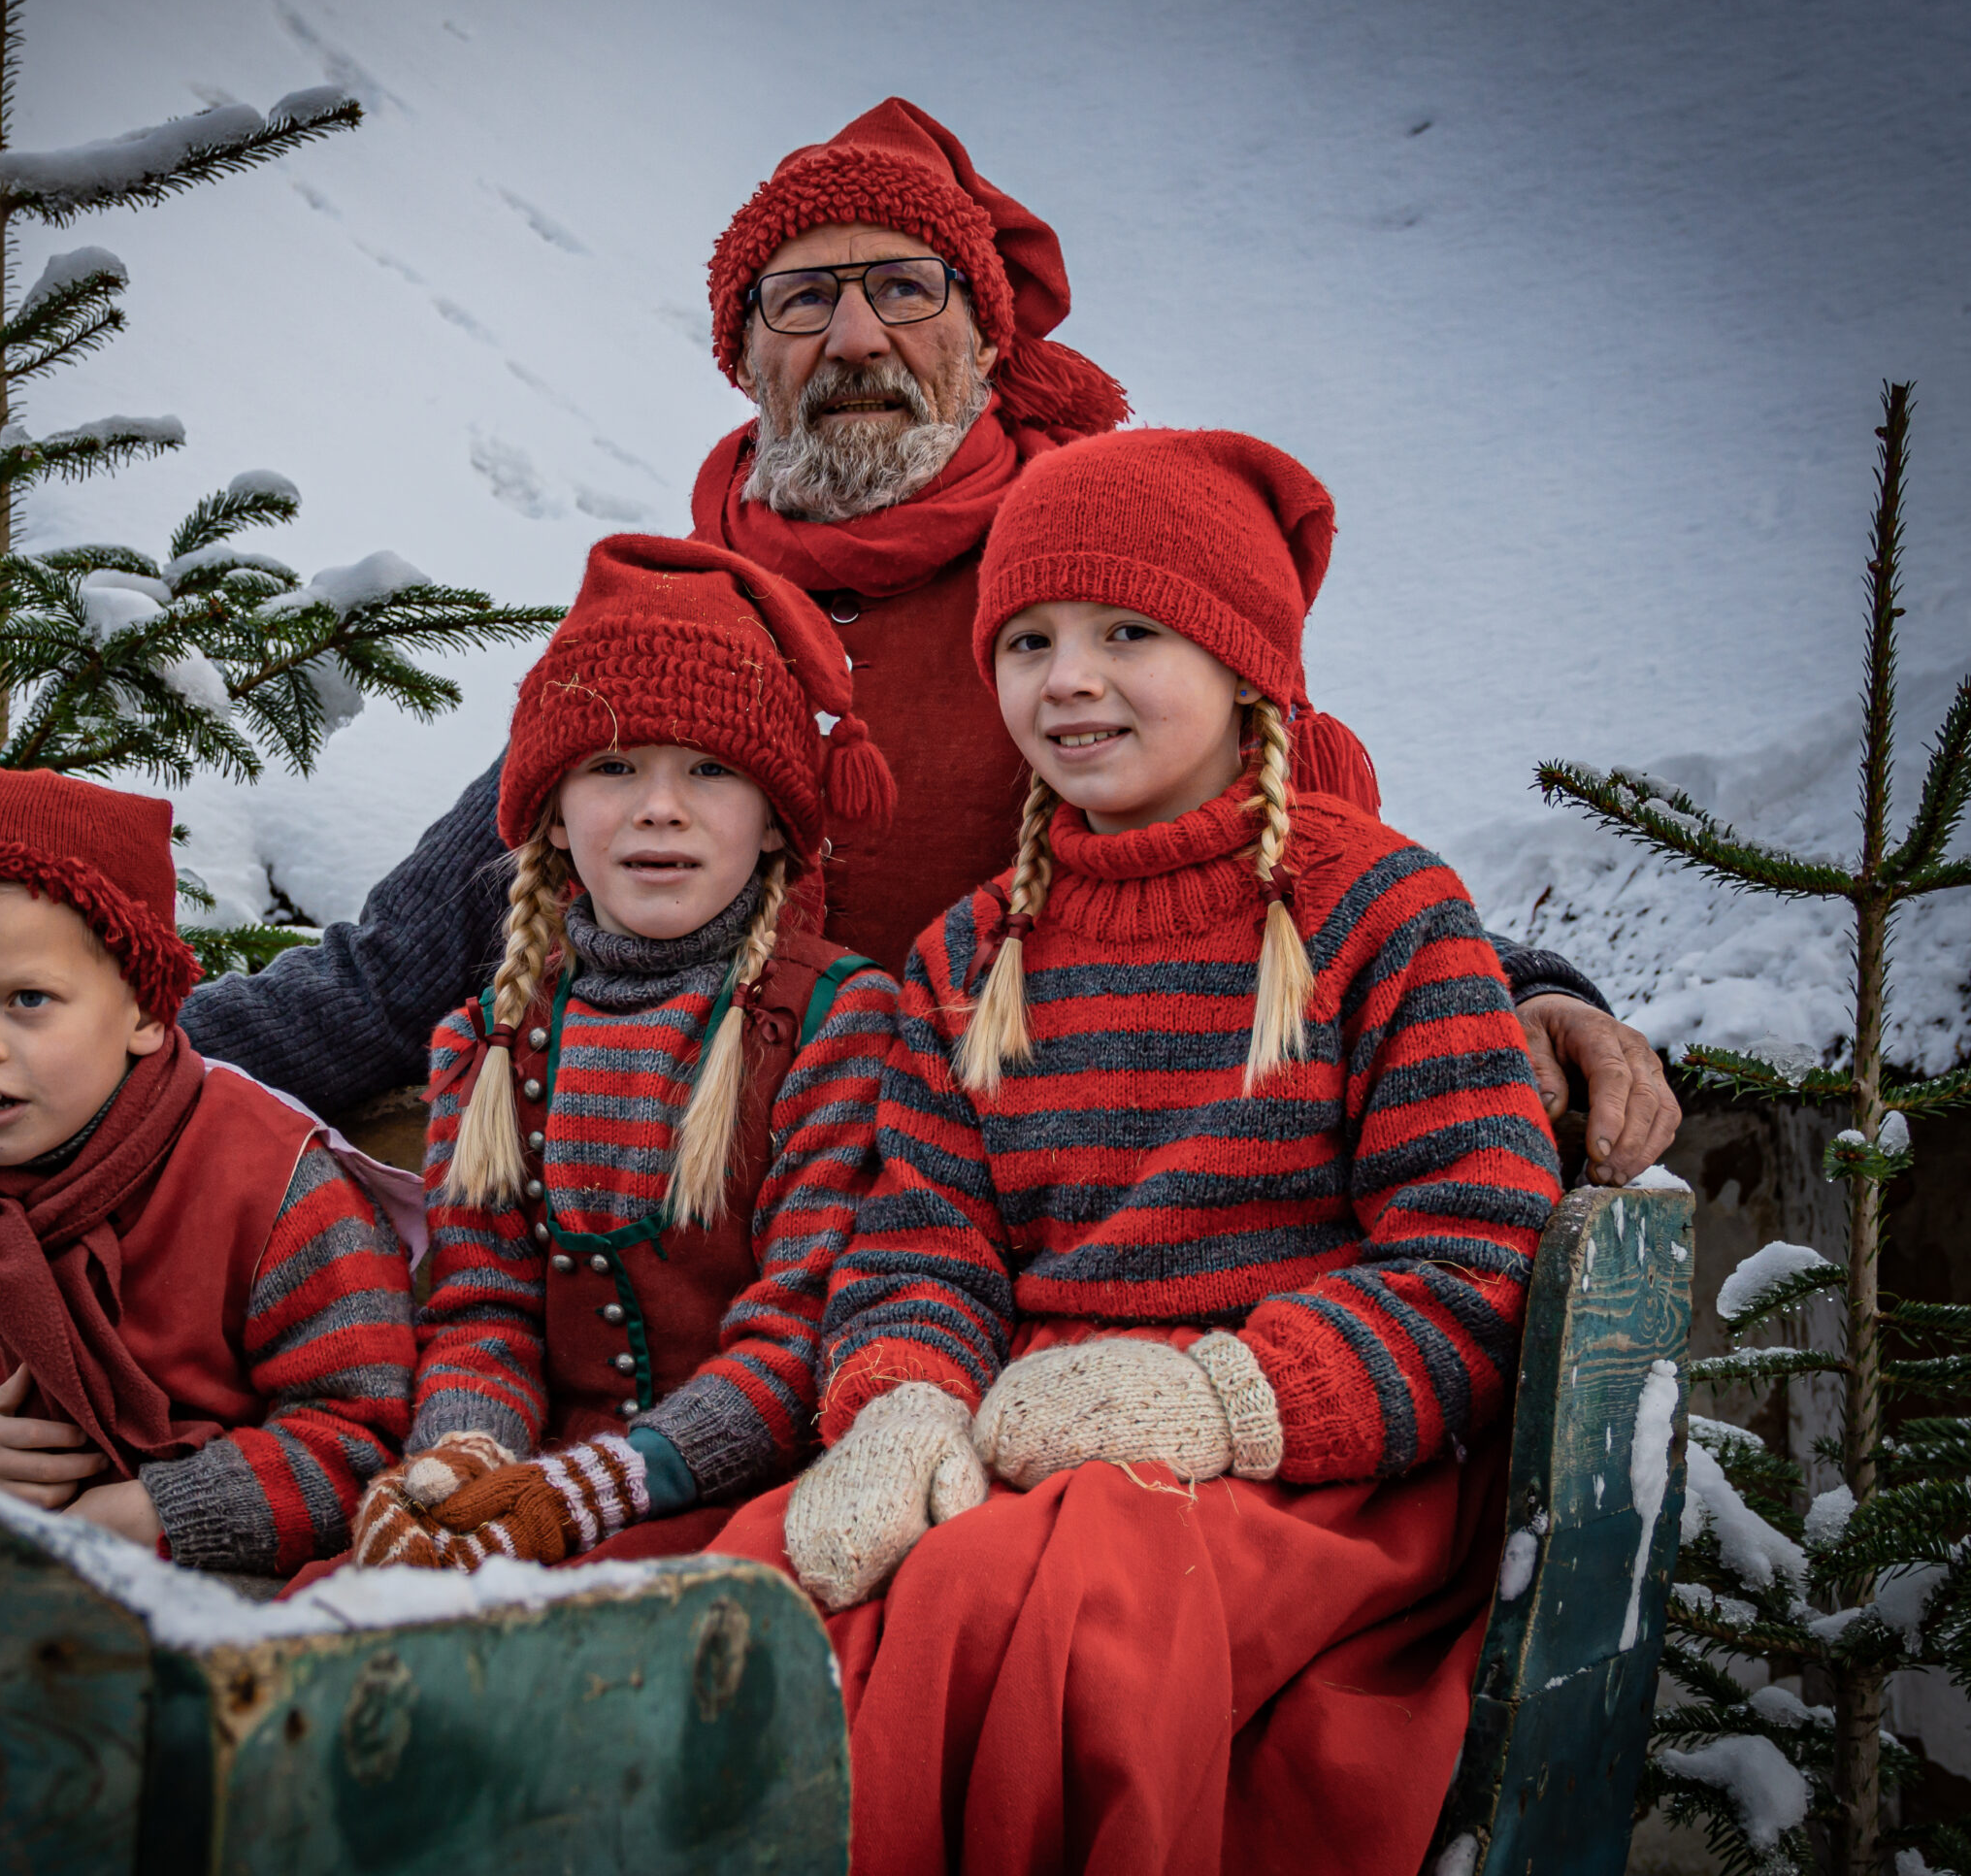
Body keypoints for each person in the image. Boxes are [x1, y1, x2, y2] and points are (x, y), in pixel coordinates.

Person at [179, 99, 1678, 1190]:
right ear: (744, 350)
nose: (854, 340)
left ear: (985, 333)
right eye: (803, 298)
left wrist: (1529, 987)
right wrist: (102, 1060)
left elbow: (1308, 852)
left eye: (905, 288)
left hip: (1015, 1228)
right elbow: (403, 962)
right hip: (702, 1243)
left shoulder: (1089, 599)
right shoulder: (670, 618)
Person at [708, 431, 1566, 1875]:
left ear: (1246, 663)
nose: (1070, 678)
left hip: (1305, 1464)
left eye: (1129, 633)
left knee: (1054, 1602)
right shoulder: (969, 957)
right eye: (1029, 639)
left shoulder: (1381, 912)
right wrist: (904, 1405)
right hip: (1023, 1429)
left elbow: (1473, 1255)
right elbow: (923, 1242)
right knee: (775, 1586)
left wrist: (1228, 1398)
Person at [335, 535, 901, 1575]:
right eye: (611, 767)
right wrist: (461, 1458)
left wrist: (591, 1490)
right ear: (550, 811)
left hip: (741, 1510)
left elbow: (798, 1338)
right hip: (534, 1490)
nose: (658, 806)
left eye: (709, 771)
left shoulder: (834, 1023)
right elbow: (484, 1317)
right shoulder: (490, 1044)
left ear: (777, 822)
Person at [0, 756, 417, 1581]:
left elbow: (367, 1443)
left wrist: (160, 1513)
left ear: (144, 1011)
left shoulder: (273, 1185)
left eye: (26, 999)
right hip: (0, 1582)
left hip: (237, 1596)